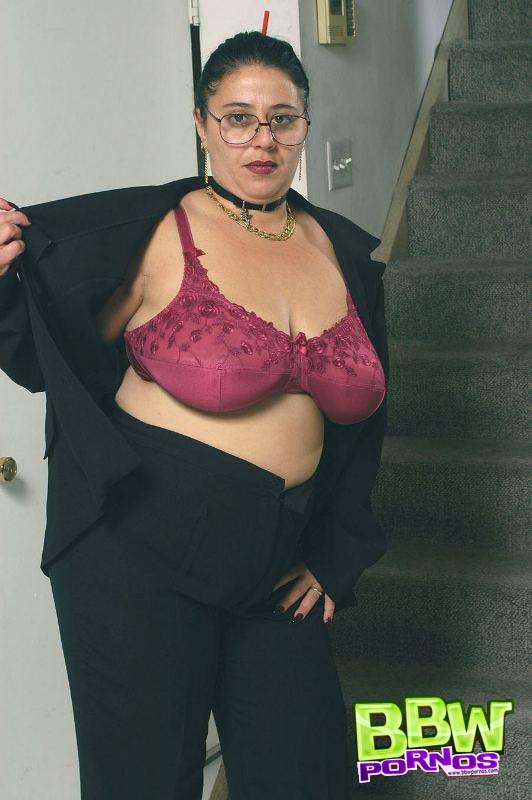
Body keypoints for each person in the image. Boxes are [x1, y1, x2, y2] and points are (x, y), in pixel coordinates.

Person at [0, 31, 389, 800]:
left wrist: (337, 552)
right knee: (143, 784)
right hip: (140, 552)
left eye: (282, 118)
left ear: (305, 124)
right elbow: (51, 360)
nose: (262, 139)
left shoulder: (345, 253)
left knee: (307, 778)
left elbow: (366, 424)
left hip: (278, 561)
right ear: (202, 124)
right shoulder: (153, 234)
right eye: (238, 117)